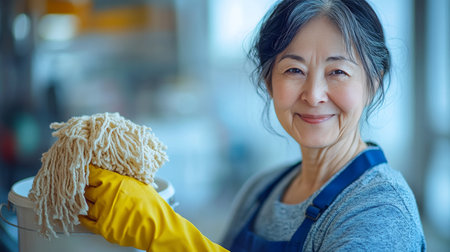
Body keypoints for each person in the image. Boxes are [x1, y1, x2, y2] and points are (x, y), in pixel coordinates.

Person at [79, 0, 426, 251]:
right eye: (294, 70)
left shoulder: (379, 211)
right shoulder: (260, 192)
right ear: (268, 80)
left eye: (338, 72)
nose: (314, 94)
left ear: (374, 82)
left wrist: (165, 237)